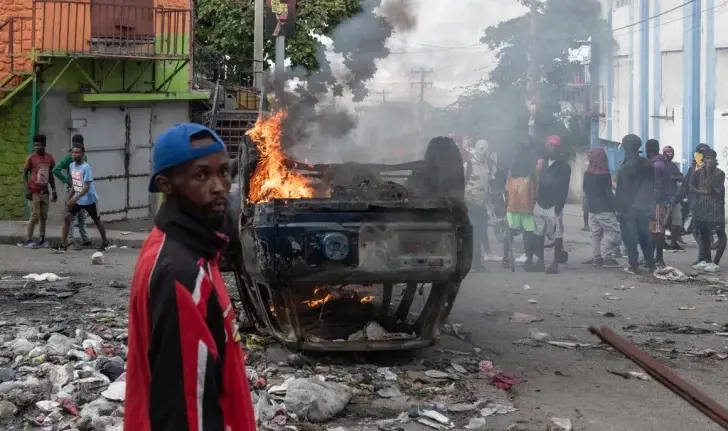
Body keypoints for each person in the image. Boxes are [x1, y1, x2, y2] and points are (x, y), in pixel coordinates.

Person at [125, 123, 255, 431]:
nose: (219, 186)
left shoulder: (191, 249)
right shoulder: (182, 274)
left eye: (224, 172)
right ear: (166, 184)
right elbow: (185, 410)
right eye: (201, 175)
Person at [51, 143, 110, 253]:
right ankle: (63, 244)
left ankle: (105, 242)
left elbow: (86, 187)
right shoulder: (71, 166)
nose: (75, 154)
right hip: (78, 199)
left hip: (89, 199)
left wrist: (74, 199)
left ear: (82, 154)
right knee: (67, 217)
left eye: (77, 152)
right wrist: (69, 197)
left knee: (97, 220)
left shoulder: (86, 168)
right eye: (73, 152)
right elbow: (75, 184)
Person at [526, 135, 571, 274]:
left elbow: (564, 188)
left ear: (559, 148)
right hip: (541, 203)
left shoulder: (564, 166)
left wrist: (559, 206)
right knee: (538, 234)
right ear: (546, 146)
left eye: (555, 146)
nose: (552, 148)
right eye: (550, 145)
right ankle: (540, 262)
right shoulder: (544, 163)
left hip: (554, 205)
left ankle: (555, 264)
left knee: (557, 235)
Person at [615, 134, 655, 274]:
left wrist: (619, 209)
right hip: (644, 206)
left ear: (626, 147)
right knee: (645, 235)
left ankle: (634, 265)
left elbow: (623, 190)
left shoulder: (625, 166)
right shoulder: (647, 163)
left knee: (630, 237)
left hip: (629, 207)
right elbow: (651, 186)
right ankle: (650, 263)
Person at [582, 148, 621, 268]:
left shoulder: (587, 173)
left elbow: (585, 190)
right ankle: (607, 257)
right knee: (615, 233)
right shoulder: (604, 174)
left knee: (595, 234)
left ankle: (596, 258)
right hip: (605, 209)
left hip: (592, 209)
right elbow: (608, 193)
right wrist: (617, 206)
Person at [52, 134, 92, 249]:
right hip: (73, 189)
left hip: (82, 189)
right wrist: (67, 180)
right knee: (71, 215)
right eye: (75, 145)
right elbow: (56, 170)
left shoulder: (84, 157)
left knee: (82, 215)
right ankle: (70, 240)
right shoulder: (69, 158)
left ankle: (85, 239)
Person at [689, 149, 726, 272]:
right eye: (707, 158)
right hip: (702, 208)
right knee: (704, 234)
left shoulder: (720, 173)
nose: (709, 160)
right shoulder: (698, 172)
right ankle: (707, 260)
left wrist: (709, 172)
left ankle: (715, 263)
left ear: (715, 160)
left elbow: (710, 190)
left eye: (712, 158)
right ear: (703, 160)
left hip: (716, 209)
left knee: (720, 234)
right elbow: (691, 186)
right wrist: (692, 169)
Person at [465, 139, 500, 270]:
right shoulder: (469, 164)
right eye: (481, 148)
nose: (484, 152)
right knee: (473, 233)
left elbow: (489, 183)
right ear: (476, 149)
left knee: (481, 232)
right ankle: (473, 263)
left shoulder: (487, 165)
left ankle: (478, 262)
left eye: (486, 149)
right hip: (470, 203)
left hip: (482, 204)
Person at [504, 140, 538, 267]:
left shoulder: (511, 167)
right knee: (528, 231)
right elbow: (535, 186)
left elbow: (507, 187)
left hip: (512, 204)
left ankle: (506, 258)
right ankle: (528, 258)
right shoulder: (531, 167)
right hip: (527, 205)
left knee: (510, 230)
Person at [23, 134, 57, 247]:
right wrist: (27, 189)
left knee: (44, 216)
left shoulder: (50, 158)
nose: (36, 147)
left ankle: (42, 239)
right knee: (35, 216)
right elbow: (24, 174)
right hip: (34, 192)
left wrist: (54, 190)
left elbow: (51, 176)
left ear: (44, 145)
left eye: (39, 145)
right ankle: (28, 240)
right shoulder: (31, 158)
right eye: (35, 145)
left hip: (45, 193)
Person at [645, 139, 672, 267]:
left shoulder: (655, 165)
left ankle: (658, 259)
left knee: (657, 231)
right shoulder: (662, 163)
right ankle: (652, 258)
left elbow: (657, 187)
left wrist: (652, 205)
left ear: (648, 150)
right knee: (655, 230)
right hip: (663, 200)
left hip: (657, 202)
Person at [661, 145, 685, 251]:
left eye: (672, 152)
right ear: (663, 153)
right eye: (668, 152)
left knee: (677, 222)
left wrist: (673, 177)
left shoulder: (673, 165)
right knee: (663, 222)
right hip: (663, 198)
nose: (670, 154)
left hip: (674, 198)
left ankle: (674, 243)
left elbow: (682, 177)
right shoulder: (660, 165)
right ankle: (662, 243)